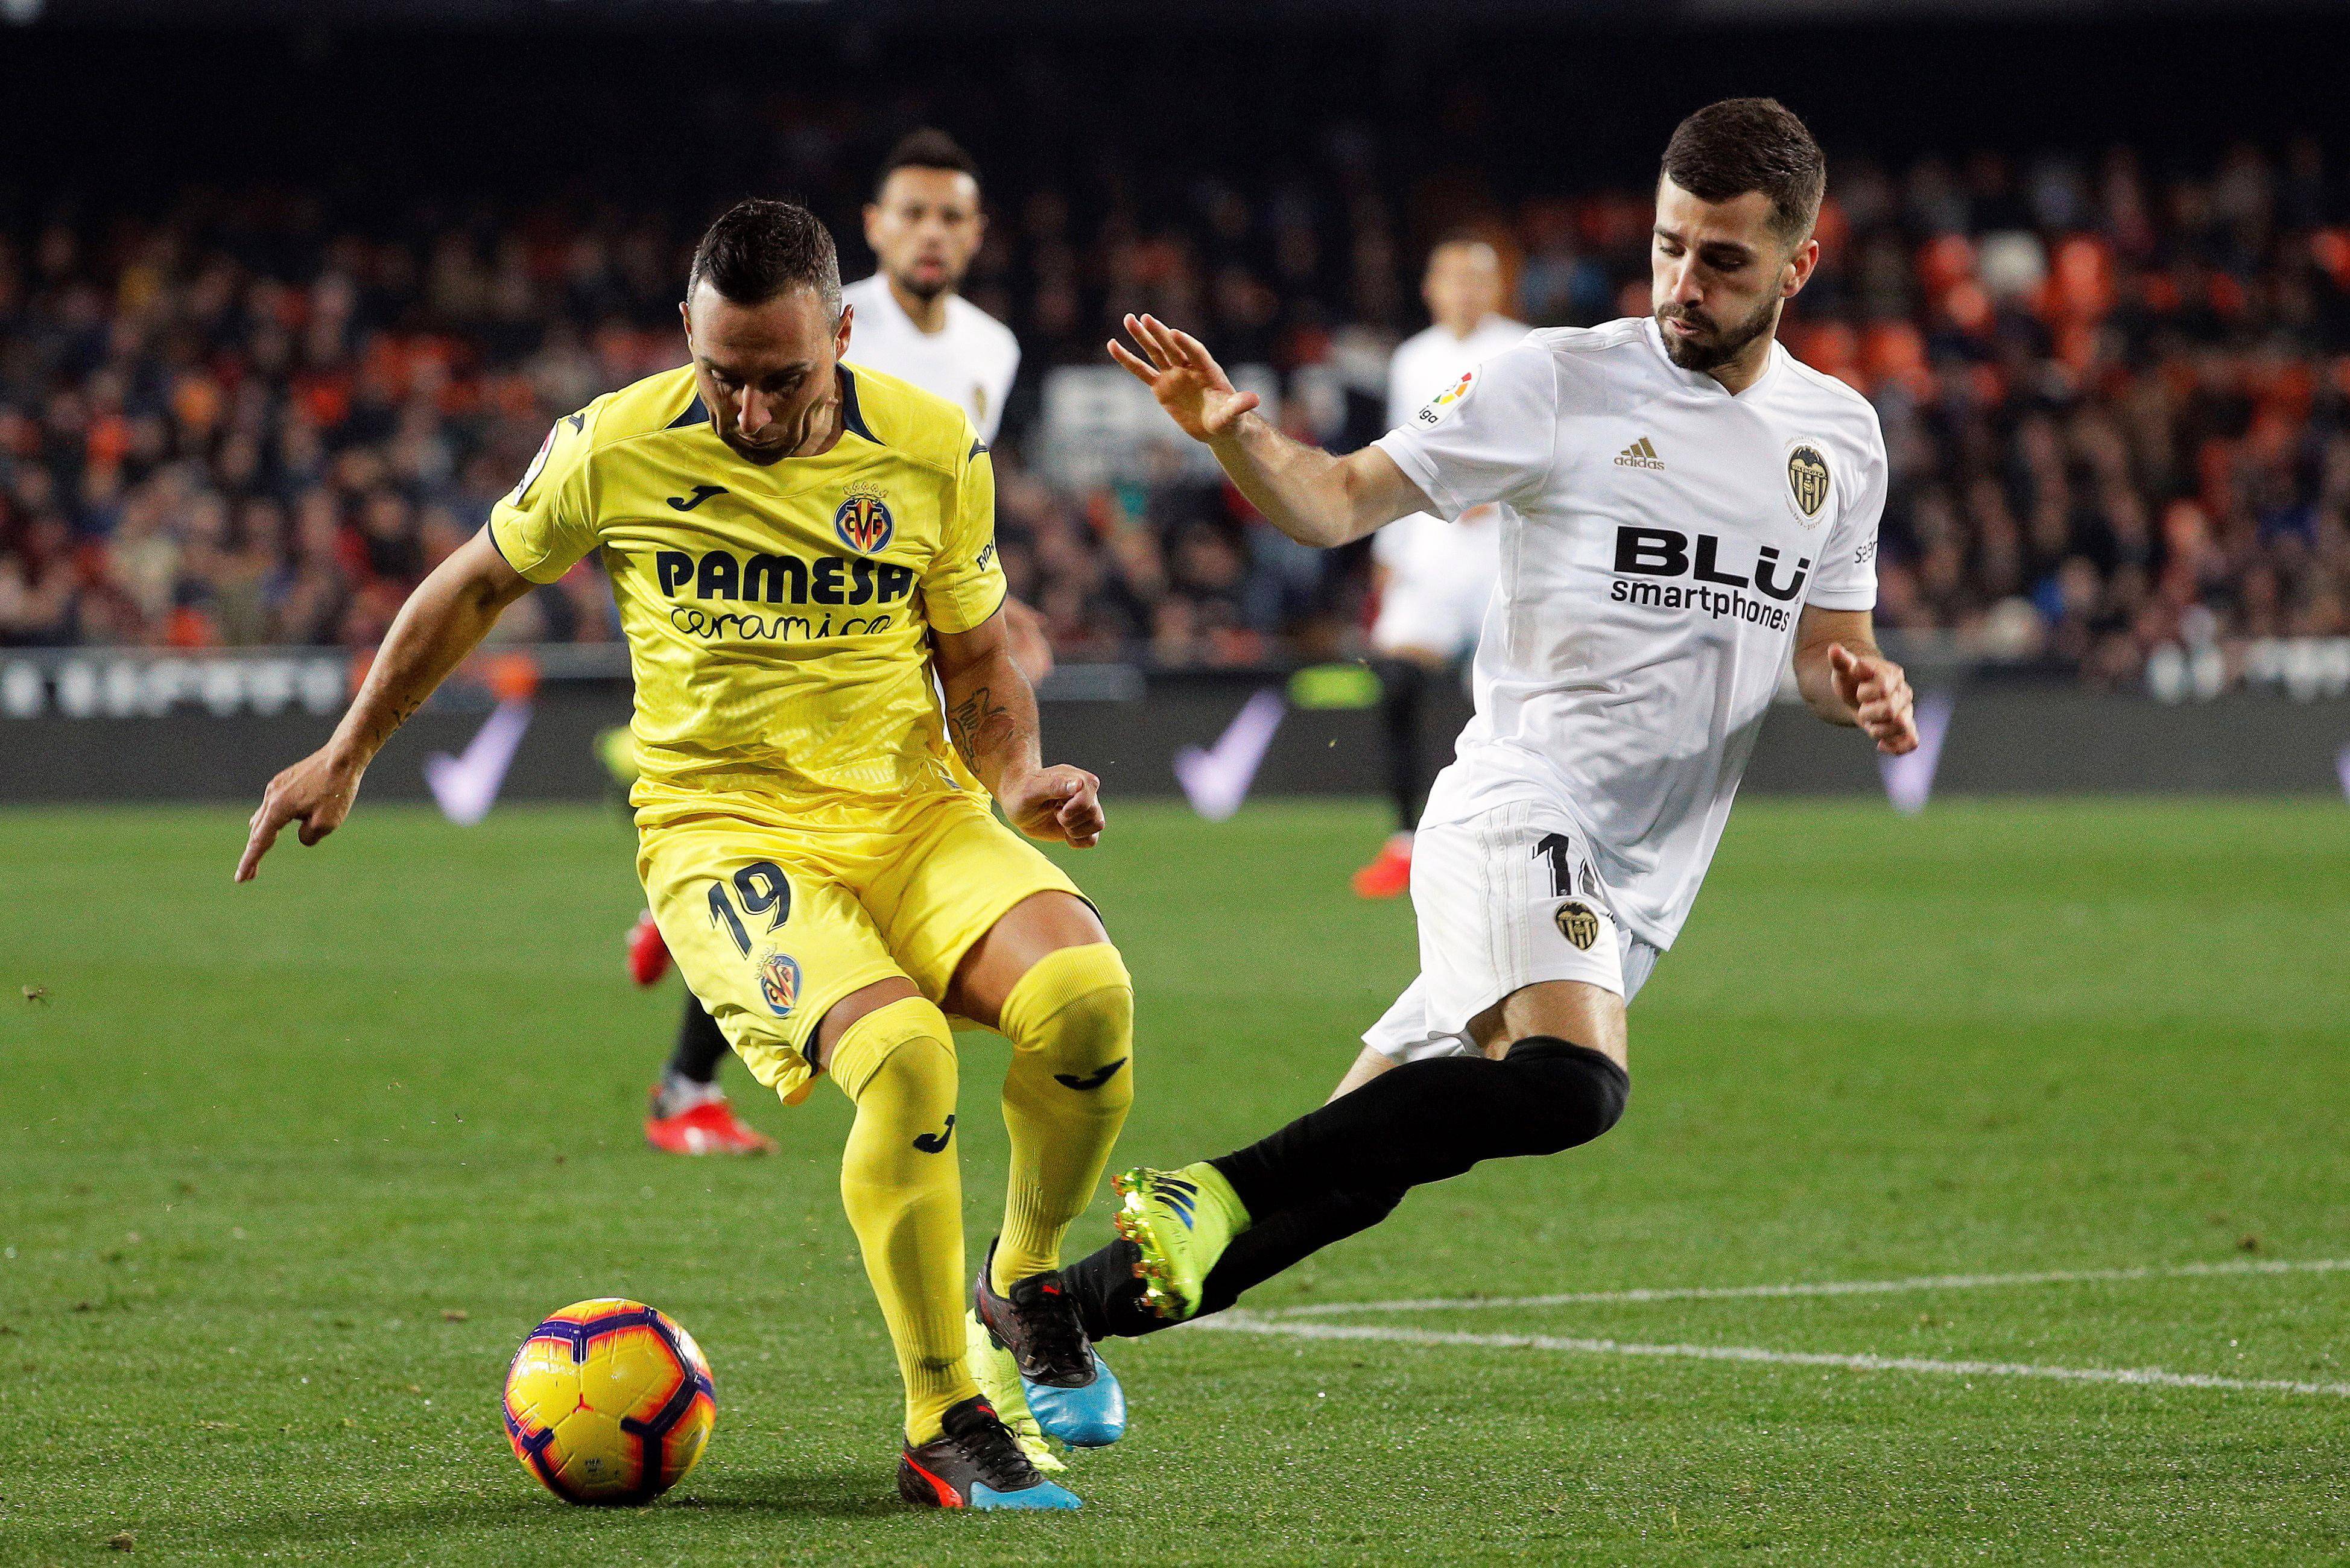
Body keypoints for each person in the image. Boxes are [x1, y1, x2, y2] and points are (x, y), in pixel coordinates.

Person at [235, 200, 1135, 1510]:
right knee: (905, 1062)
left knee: (1087, 999)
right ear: (686, 334)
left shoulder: (934, 447)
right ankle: (943, 1417)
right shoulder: (613, 445)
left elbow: (979, 657)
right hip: (725, 827)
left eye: (784, 380)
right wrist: (350, 748)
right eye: (723, 376)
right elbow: (475, 584)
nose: (752, 411)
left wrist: (1017, 780)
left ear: (842, 334)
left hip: (913, 810)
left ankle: (1026, 1279)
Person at [1061, 99, 1919, 1349]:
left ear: (1798, 266)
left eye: (1723, 261)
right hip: (1520, 806)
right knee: (1571, 1087)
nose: (1684, 284)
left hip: (1646, 875)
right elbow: (1336, 500)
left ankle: (1042, 1318)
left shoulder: (1838, 437)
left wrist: (1865, 685)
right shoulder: (1560, 381)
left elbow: (1827, 647)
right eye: (1669, 246)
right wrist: (1237, 441)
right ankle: (1208, 1189)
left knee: (1352, 1170)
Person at [637, 130, 1053, 1160]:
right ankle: (692, 1027)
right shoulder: (808, 321)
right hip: (783, 635)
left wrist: (996, 611)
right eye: (912, 213)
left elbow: (950, 501)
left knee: (872, 852)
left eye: (951, 216)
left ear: (977, 233)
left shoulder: (992, 348)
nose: (931, 232)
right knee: (805, 858)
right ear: (875, 226)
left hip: (895, 636)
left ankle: (693, 1041)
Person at [1352, 237, 1527, 900]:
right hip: (1432, 548)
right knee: (1397, 679)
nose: (1464, 291)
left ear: (1496, 288)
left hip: (1505, 548)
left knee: (1505, 700)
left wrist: (1499, 487)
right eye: (1452, 278)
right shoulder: (1413, 359)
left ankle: (1508, 840)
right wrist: (1387, 554)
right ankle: (1405, 840)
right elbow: (1396, 457)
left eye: (1477, 279)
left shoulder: (1524, 350)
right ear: (1430, 288)